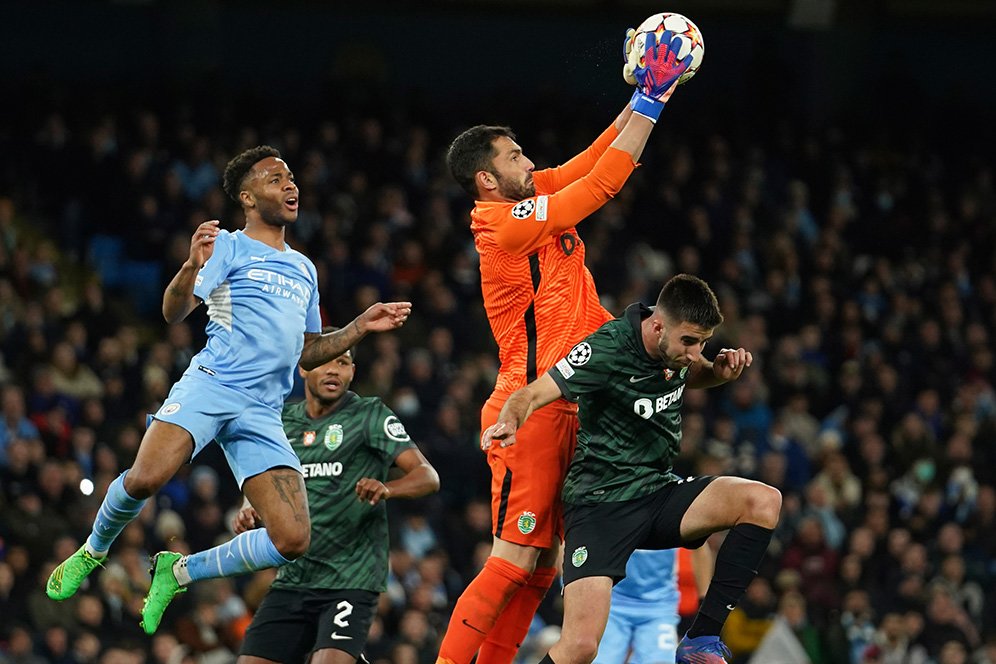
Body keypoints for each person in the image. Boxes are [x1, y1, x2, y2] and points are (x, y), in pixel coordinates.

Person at [45, 145, 412, 635]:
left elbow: (306, 352)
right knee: (144, 480)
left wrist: (360, 326)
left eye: (291, 177)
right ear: (246, 195)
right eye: (274, 178)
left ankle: (177, 571)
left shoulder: (304, 269)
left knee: (293, 538)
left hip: (264, 409)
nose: (290, 185)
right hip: (213, 384)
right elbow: (173, 313)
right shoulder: (228, 247)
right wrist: (190, 266)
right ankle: (94, 550)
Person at [437, 28, 694, 664]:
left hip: (576, 398)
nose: (529, 162)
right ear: (486, 178)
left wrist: (640, 95)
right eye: (515, 155)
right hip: (531, 404)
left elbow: (593, 158)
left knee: (543, 566)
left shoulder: (533, 199)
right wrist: (654, 103)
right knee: (513, 556)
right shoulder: (501, 225)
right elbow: (601, 187)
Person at [482, 274, 783, 664]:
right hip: (599, 507)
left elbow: (692, 372)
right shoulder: (606, 350)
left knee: (763, 501)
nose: (696, 353)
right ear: (657, 325)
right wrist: (510, 420)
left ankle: (701, 639)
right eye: (689, 342)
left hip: (657, 491)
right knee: (580, 647)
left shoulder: (675, 351)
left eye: (703, 343)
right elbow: (533, 392)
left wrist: (718, 374)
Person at [235, 329, 439, 664]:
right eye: (326, 361)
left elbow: (427, 476)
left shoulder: (370, 415)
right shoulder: (283, 422)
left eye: (343, 362)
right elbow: (263, 480)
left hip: (350, 579)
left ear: (353, 372)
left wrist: (389, 488)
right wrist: (249, 507)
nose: (334, 370)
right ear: (303, 368)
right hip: (294, 578)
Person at [594, 546, 714, 664]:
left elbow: (700, 547)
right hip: (612, 604)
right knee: (598, 660)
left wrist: (704, 601)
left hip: (659, 606)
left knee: (660, 661)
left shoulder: (674, 525)